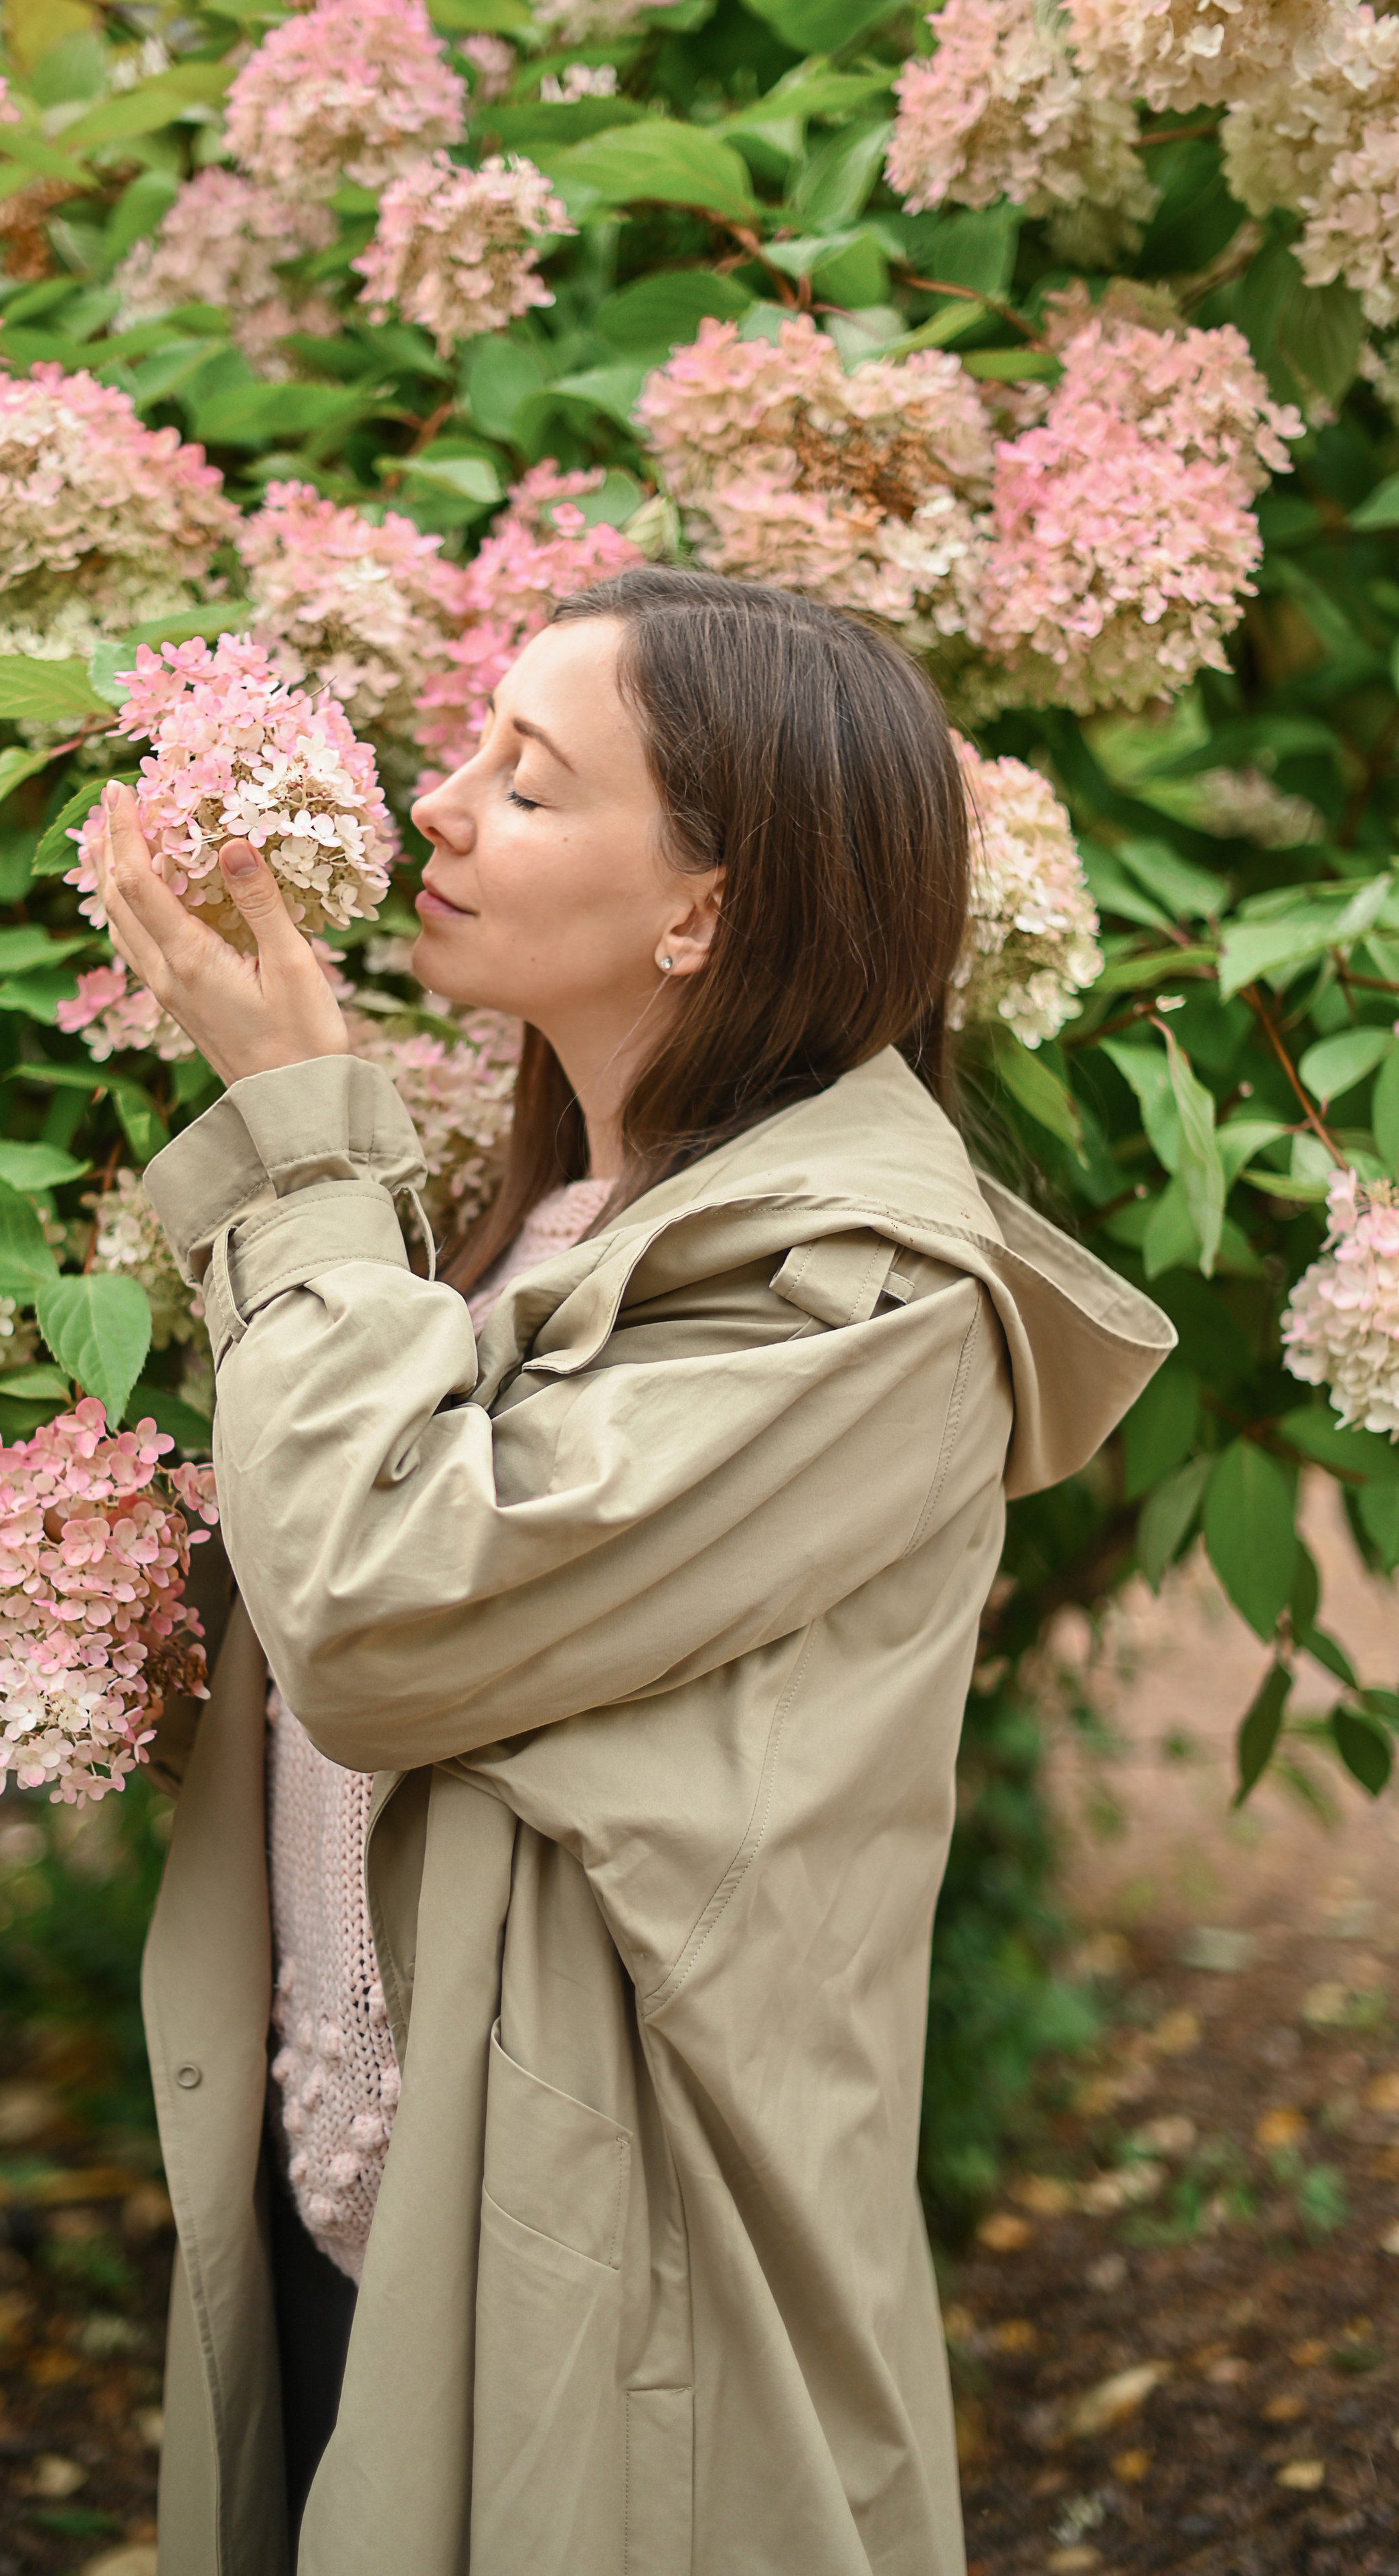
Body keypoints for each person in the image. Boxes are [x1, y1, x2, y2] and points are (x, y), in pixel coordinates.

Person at [107, 567, 1173, 2576]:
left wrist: (297, 1144)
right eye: (473, 754)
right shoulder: (558, 1231)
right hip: (373, 2202)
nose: (440, 805)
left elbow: (379, 1610)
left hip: (602, 2296)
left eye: (528, 783)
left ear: (704, 909)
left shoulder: (859, 1309)